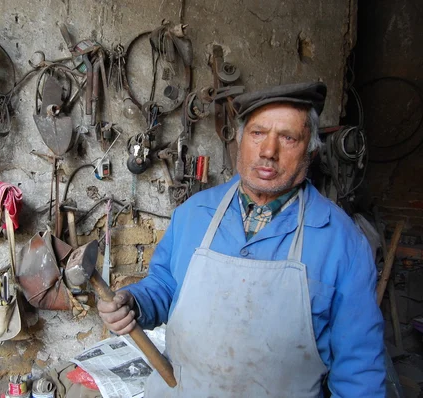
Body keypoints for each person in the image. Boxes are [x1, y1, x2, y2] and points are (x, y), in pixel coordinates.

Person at [97, 82, 386, 397]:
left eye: (288, 138)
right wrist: (135, 303)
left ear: (311, 151)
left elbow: (359, 371)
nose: (268, 152)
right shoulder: (194, 214)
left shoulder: (342, 242)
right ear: (239, 139)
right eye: (258, 133)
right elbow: (165, 285)